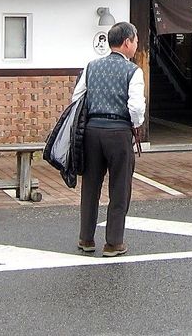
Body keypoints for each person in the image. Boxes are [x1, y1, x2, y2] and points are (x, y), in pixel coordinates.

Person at [72, 21, 146, 257]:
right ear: (127, 42)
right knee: (120, 186)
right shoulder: (133, 71)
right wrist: (137, 124)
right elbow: (135, 106)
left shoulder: (91, 66)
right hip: (119, 132)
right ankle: (113, 242)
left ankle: (86, 238)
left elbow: (77, 97)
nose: (136, 46)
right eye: (135, 41)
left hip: (92, 131)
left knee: (90, 186)